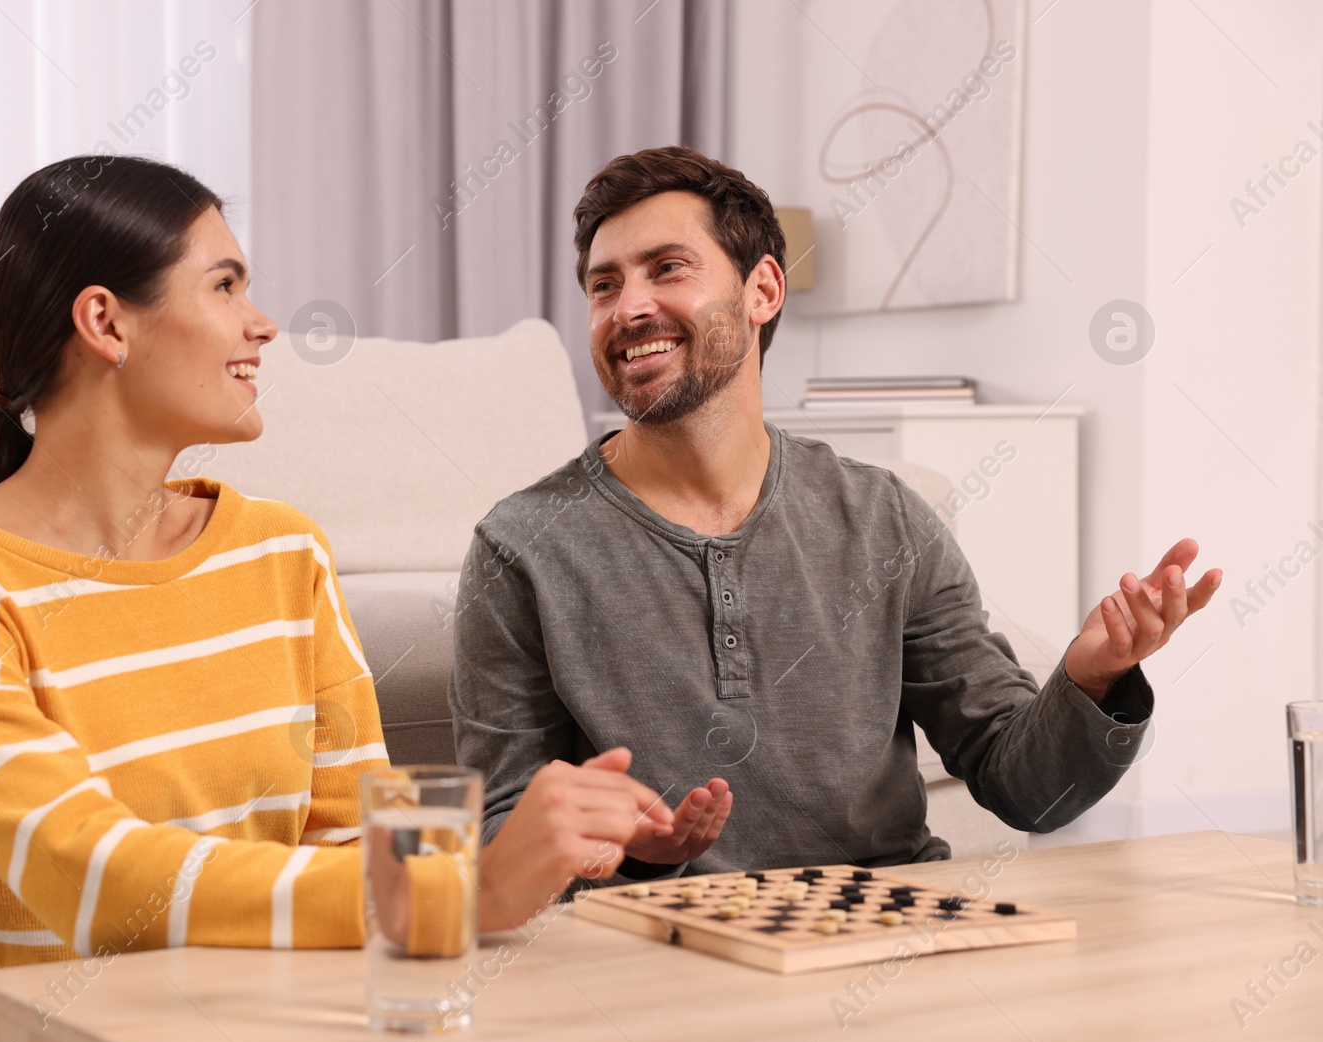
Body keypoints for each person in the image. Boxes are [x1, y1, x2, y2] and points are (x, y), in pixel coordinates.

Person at [0, 155, 675, 1042]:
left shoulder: (282, 552)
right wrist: (456, 887)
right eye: (225, 285)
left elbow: (350, 841)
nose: (264, 322)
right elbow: (87, 877)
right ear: (105, 322)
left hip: (269, 1036)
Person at [449, 144, 1223, 883]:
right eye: (604, 285)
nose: (629, 307)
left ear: (764, 291)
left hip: (889, 937)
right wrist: (632, 854)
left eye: (667, 269)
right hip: (662, 955)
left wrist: (1090, 681)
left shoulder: (886, 519)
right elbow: (495, 834)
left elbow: (1025, 788)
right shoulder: (522, 548)